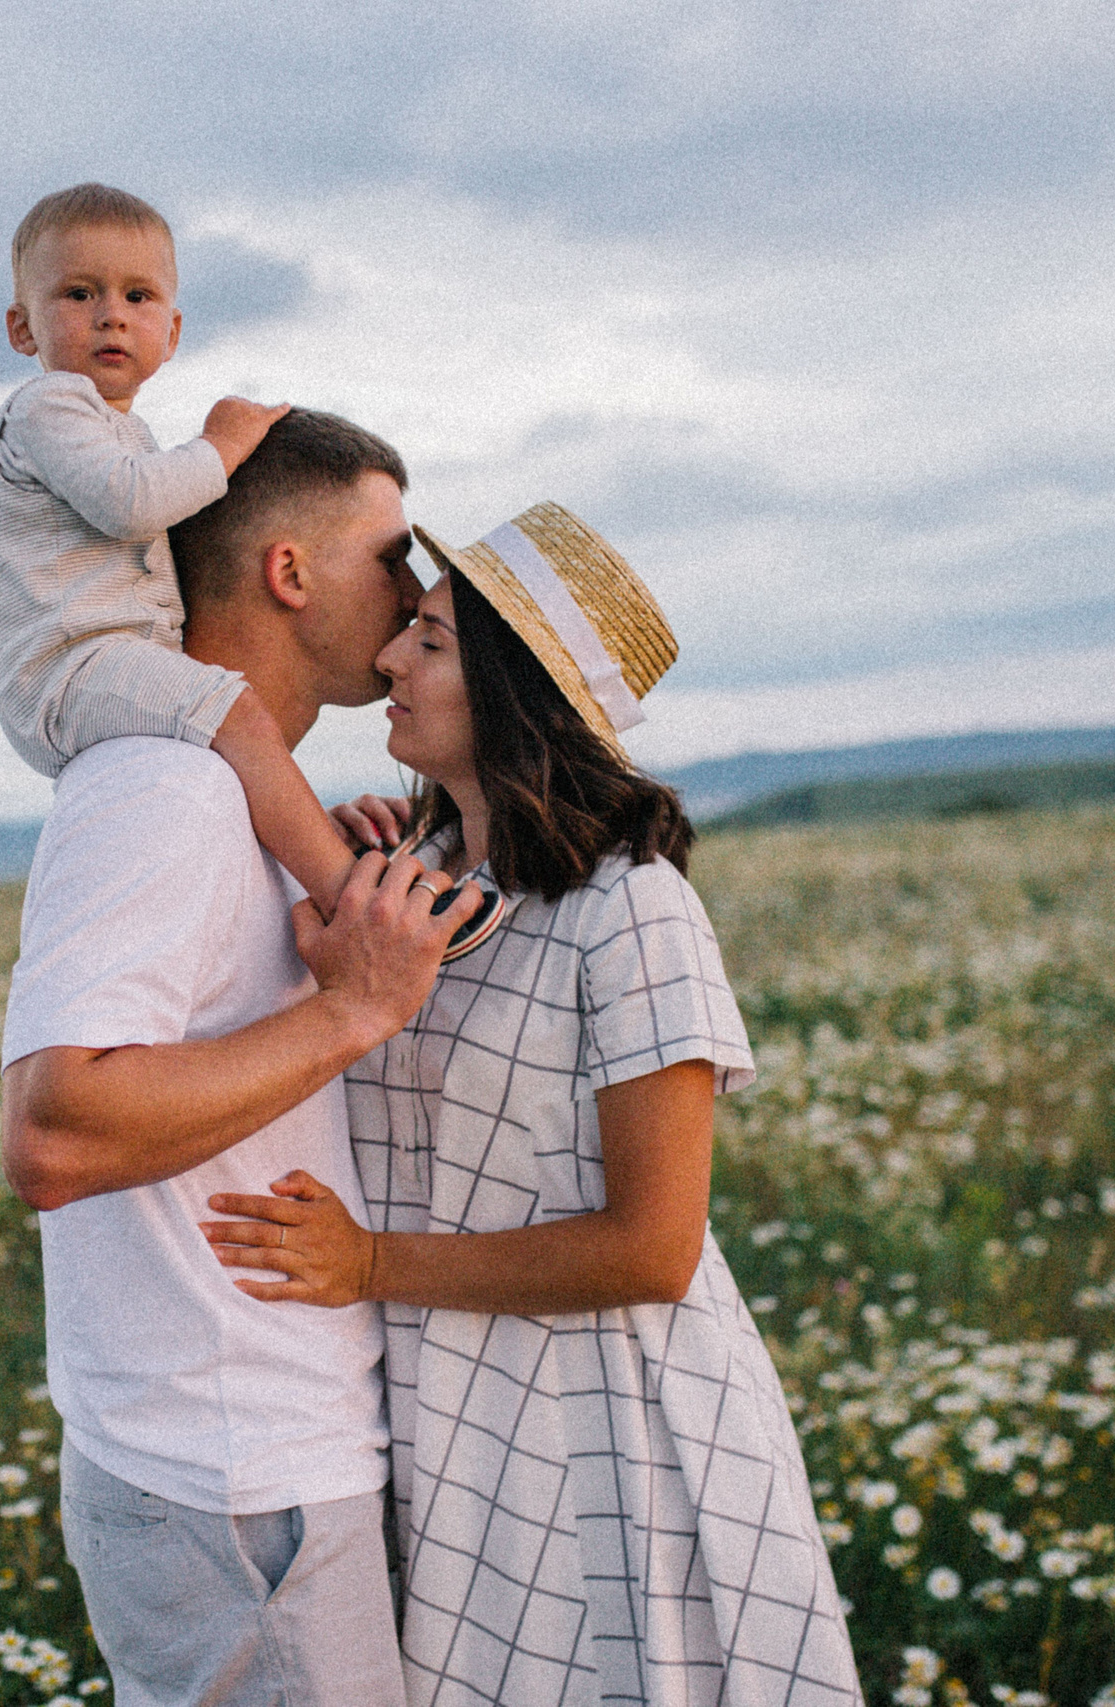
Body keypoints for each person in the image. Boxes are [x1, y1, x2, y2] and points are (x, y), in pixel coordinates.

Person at [200, 504, 864, 1707]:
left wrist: (365, 1264)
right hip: (446, 1411)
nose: (394, 652)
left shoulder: (632, 907)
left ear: (519, 693)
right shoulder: (425, 881)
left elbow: (654, 1249)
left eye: (436, 642)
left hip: (608, 1423)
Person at [0, 410, 483, 1706]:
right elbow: (52, 1132)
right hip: (231, 1474)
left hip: (251, 1458)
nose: (413, 597)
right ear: (287, 571)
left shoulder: (232, 797)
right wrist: (351, 1009)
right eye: (389, 557)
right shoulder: (161, 785)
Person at [0, 182, 363, 922]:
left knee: (230, 741)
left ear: (173, 332)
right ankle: (350, 897)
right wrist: (221, 444)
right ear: (21, 329)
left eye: (138, 296)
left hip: (104, 658)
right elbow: (131, 502)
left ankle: (309, 851)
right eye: (78, 293)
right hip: (68, 670)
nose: (112, 314)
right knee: (240, 716)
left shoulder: (120, 429)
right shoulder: (46, 407)